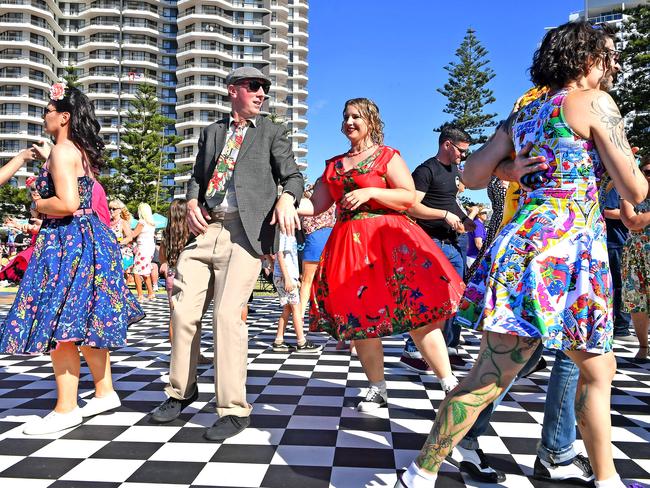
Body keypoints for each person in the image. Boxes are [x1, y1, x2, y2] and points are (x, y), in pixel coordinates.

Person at [396, 21, 647, 488]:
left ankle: (421, 472)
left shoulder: (524, 113)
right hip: (568, 254)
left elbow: (472, 175)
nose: (613, 65)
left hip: (527, 247)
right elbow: (635, 186)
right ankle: (420, 472)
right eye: (608, 56)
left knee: (566, 369)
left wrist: (509, 168)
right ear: (586, 58)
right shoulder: (594, 103)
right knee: (575, 372)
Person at [150, 66, 304, 442]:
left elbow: (294, 176)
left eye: (264, 88)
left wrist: (287, 197)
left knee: (225, 316)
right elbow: (198, 178)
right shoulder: (212, 132)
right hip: (206, 230)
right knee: (183, 311)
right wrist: (189, 201)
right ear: (233, 89)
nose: (261, 93)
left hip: (245, 234)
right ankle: (181, 392)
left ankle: (234, 409)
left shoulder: (272, 131)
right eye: (254, 87)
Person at [300, 98, 463, 412]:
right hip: (349, 246)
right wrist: (286, 203)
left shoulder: (387, 156)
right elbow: (316, 205)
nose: (349, 121)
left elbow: (406, 196)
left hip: (391, 245)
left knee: (417, 313)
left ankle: (449, 384)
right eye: (345, 116)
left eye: (356, 116)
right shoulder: (333, 166)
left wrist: (371, 192)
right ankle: (377, 388)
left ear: (371, 121)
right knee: (361, 321)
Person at [0, 82, 144, 435]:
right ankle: (104, 391)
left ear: (63, 117)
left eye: (48, 111)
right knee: (83, 321)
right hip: (87, 240)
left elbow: (67, 204)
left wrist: (36, 205)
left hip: (67, 241)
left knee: (59, 322)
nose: (44, 116)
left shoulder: (62, 152)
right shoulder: (77, 151)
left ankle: (66, 408)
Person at [401, 126, 476, 374]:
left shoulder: (454, 171)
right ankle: (413, 349)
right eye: (461, 151)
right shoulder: (425, 170)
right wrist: (443, 215)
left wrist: (464, 218)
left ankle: (445, 347)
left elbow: (449, 199)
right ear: (446, 145)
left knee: (455, 297)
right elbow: (411, 206)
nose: (463, 156)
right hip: (430, 242)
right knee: (430, 297)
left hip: (453, 243)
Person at [158, 199, 212, 365]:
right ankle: (195, 354)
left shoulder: (167, 234)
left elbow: (162, 259)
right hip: (189, 275)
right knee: (193, 316)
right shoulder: (193, 232)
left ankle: (176, 354)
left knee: (174, 317)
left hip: (171, 276)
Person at [272, 228, 322, 353]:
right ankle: (301, 342)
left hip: (285, 276)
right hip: (285, 277)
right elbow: (280, 255)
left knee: (288, 308)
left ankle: (279, 340)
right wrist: (288, 278)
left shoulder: (286, 233)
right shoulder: (284, 233)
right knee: (296, 308)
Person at [620, 155, 650, 363]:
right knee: (637, 303)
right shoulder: (629, 194)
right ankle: (643, 346)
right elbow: (631, 221)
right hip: (636, 256)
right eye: (647, 172)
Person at [123, 202, 156, 302]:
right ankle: (151, 293)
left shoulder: (142, 222)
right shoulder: (151, 223)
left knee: (136, 272)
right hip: (150, 249)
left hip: (142, 249)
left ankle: (140, 295)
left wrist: (126, 233)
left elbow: (133, 234)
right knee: (146, 271)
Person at [108, 199, 134, 272]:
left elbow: (129, 237)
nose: (111, 211)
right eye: (109, 208)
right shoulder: (108, 222)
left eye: (114, 209)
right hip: (110, 253)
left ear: (119, 210)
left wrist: (118, 242)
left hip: (122, 254)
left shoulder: (123, 222)